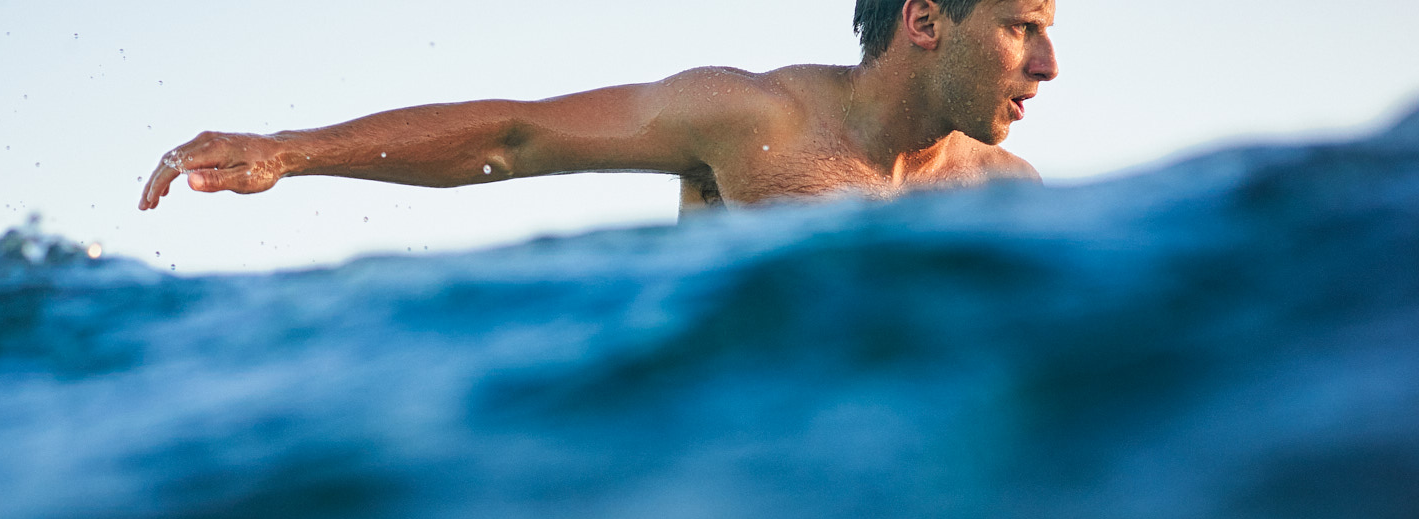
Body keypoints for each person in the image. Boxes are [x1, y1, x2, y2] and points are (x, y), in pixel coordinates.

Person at [138, 0, 1057, 216]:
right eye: (1023, 27)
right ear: (926, 20)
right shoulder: (757, 119)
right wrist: (287, 151)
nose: (1049, 64)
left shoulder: (1009, 193)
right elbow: (515, 134)